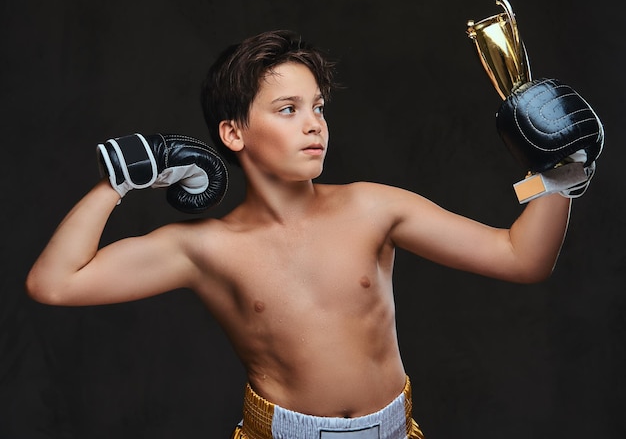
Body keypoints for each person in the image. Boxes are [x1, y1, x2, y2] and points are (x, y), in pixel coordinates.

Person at [26, 30, 603, 439]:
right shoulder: (204, 248)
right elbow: (54, 284)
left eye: (318, 108)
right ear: (234, 132)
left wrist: (559, 175)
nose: (313, 124)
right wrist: (123, 179)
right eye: (286, 109)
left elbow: (521, 258)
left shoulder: (374, 206)